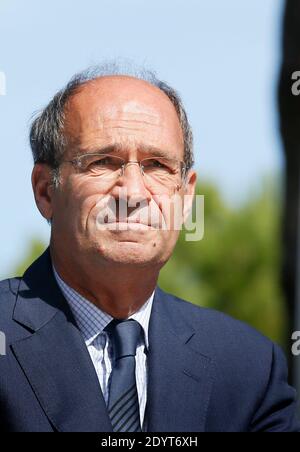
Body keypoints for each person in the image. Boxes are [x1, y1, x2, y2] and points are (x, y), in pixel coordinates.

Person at [0, 63, 299, 432]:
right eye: (103, 162)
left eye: (157, 165)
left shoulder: (248, 368)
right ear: (46, 190)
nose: (134, 192)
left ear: (186, 196)